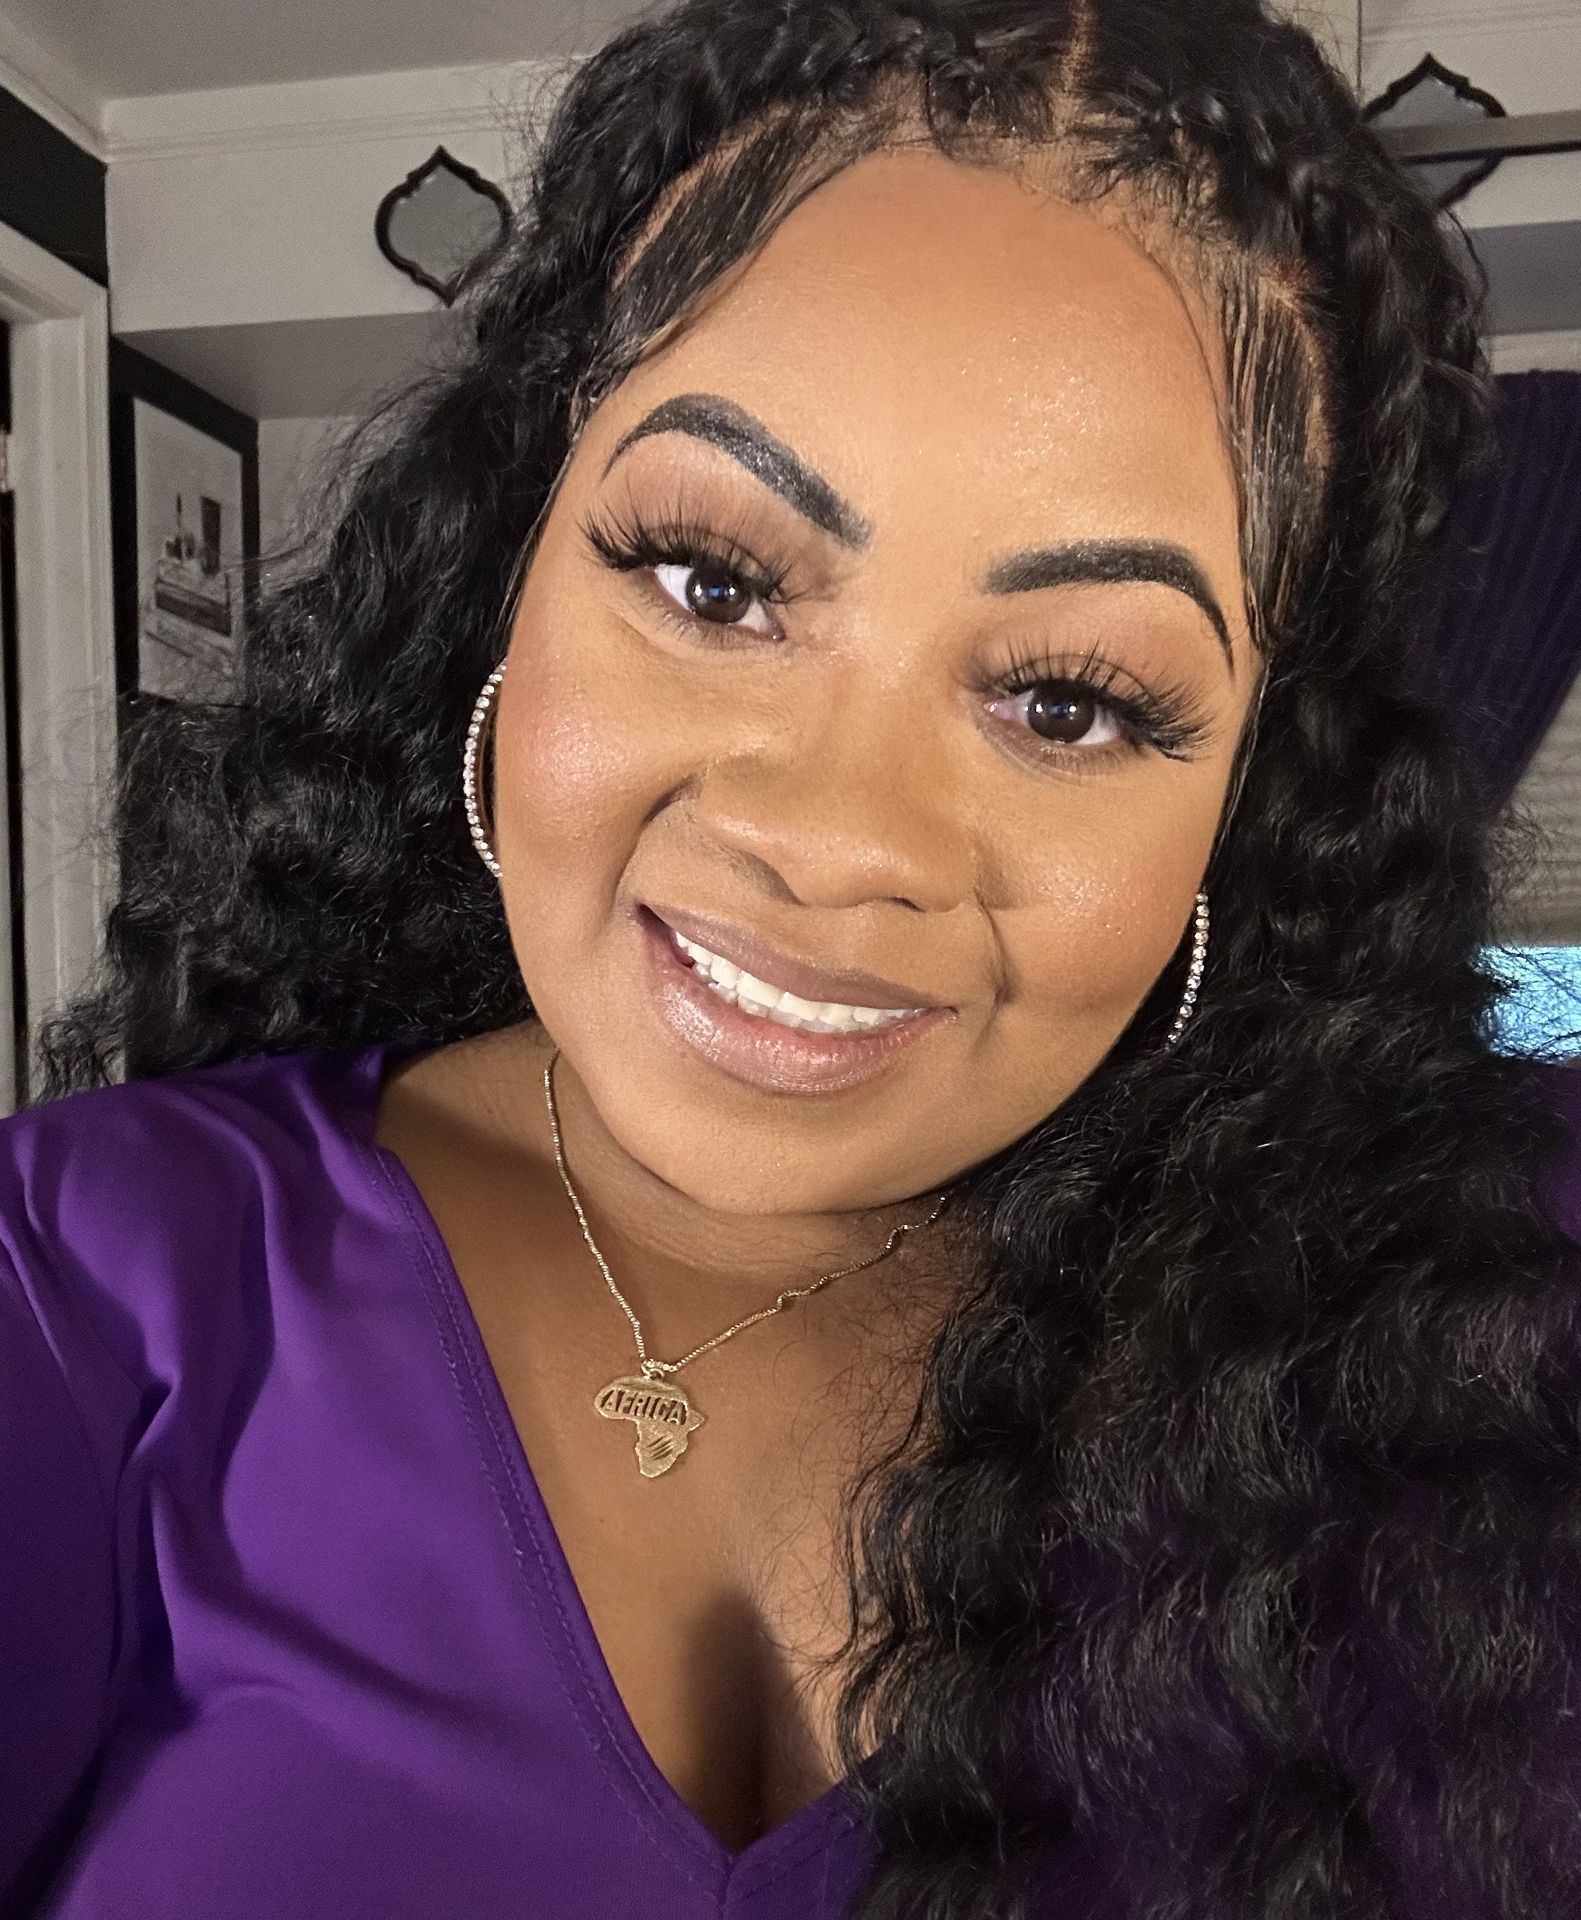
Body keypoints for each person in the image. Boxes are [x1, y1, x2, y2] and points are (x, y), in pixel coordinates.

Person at [6, 1, 1581, 1915]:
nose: (839, 840)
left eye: (1069, 701)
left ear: (1244, 805)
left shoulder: (1474, 1324)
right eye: (713, 580)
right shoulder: (81, 1280)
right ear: (510, 576)